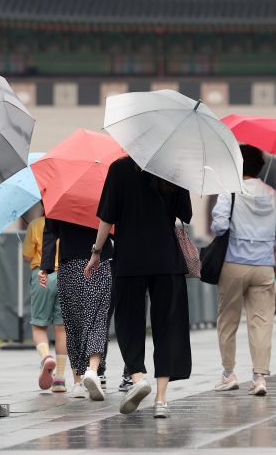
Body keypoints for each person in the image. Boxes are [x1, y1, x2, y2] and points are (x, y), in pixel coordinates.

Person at [87, 156, 193, 419]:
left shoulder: (119, 169)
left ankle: (137, 378)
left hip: (130, 259)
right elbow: (186, 214)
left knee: (128, 321)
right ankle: (161, 399)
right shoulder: (174, 168)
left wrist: (96, 252)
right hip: (167, 260)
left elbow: (106, 217)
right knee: (167, 326)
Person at [210, 144, 276, 396]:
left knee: (228, 321)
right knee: (262, 322)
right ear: (260, 167)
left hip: (233, 263)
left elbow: (219, 226)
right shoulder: (273, 195)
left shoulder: (229, 191)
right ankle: (260, 377)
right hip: (264, 265)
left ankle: (228, 374)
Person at [40, 217, 114, 400]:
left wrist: (46, 266)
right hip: (100, 261)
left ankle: (78, 382)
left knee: (73, 324)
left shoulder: (61, 195)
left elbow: (50, 231)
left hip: (69, 263)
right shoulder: (102, 193)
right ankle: (93, 370)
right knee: (97, 319)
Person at [22, 212, 69, 393]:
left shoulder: (35, 224)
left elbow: (27, 256)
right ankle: (60, 379)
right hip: (65, 276)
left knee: (39, 326)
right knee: (61, 329)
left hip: (42, 276)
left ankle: (46, 357)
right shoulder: (66, 222)